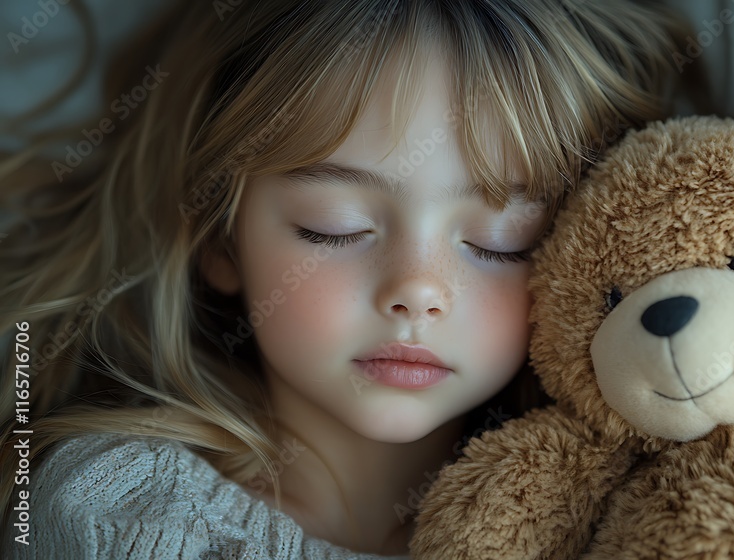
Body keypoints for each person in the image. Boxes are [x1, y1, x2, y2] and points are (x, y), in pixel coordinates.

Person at [0, 0, 692, 556]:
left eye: (500, 240)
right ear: (221, 236)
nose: (417, 290)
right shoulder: (116, 513)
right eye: (336, 226)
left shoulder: (626, 520)